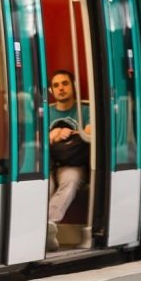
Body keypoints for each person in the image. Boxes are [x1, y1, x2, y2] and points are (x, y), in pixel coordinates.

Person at [47, 69, 91, 252]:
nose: (61, 88)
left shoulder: (85, 110)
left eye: (65, 83)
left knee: (70, 180)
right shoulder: (46, 112)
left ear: (73, 86)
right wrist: (53, 134)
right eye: (56, 85)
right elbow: (37, 138)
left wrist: (69, 133)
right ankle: (44, 230)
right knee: (44, 185)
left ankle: (48, 225)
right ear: (51, 90)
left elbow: (89, 132)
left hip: (73, 163)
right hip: (49, 164)